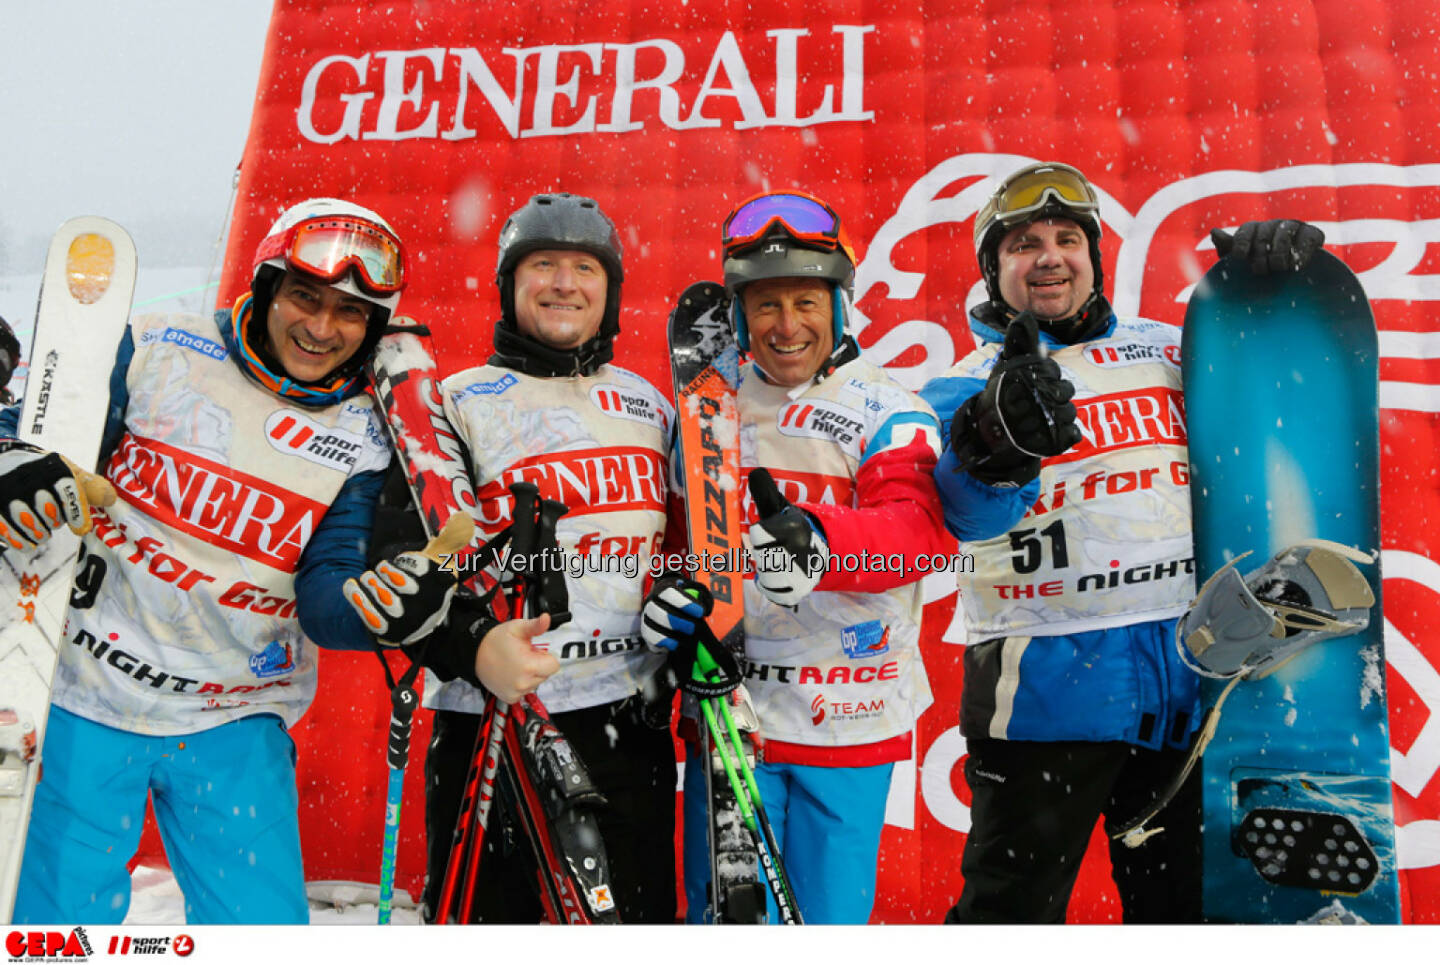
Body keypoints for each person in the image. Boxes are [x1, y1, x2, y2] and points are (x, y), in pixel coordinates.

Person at [1, 197, 547, 924]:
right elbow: (39, 432)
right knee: (59, 934)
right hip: (85, 693)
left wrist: (378, 607)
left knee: (263, 935)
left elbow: (326, 598)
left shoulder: (366, 432)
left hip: (234, 715)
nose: (322, 328)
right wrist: (14, 466)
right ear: (265, 285)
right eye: (304, 296)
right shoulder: (162, 347)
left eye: (351, 312)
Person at [918, 161, 1326, 923]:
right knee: (1009, 917)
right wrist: (990, 449)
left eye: (1068, 238)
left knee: (1184, 912)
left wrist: (1275, 303)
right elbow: (955, 517)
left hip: (1189, 683)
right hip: (1044, 700)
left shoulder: (1173, 351)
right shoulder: (955, 387)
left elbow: (1271, 412)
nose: (1049, 256)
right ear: (991, 269)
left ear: (1094, 257)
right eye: (1023, 243)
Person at [642, 190, 1013, 924]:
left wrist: (821, 542)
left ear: (839, 305)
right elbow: (682, 546)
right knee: (724, 925)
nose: (786, 326)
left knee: (827, 922)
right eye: (766, 304)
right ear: (741, 310)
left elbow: (915, 533)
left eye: (806, 303)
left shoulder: (885, 407)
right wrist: (671, 599)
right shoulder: (704, 406)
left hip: (847, 713)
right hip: (730, 719)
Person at [418, 191, 680, 923]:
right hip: (491, 716)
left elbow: (686, 547)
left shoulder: (649, 406)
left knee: (635, 921)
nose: (565, 283)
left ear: (610, 290)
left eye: (584, 268)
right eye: (542, 264)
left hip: (626, 717)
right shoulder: (458, 403)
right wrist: (470, 627)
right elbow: (421, 568)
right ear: (509, 283)